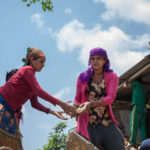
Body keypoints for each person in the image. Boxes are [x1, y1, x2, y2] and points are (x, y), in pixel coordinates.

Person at [0, 47, 74, 150]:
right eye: (41, 61)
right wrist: (61, 103)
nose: (43, 65)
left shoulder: (31, 76)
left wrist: (53, 112)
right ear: (32, 60)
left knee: (14, 146)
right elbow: (38, 91)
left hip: (9, 112)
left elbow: (34, 103)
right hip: (1, 106)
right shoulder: (27, 70)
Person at [73, 47, 125, 150]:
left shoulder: (112, 76)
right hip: (88, 124)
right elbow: (77, 98)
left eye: (98, 58)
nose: (95, 61)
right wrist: (75, 109)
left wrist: (90, 104)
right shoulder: (83, 77)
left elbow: (110, 98)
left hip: (106, 122)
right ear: (89, 60)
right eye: (92, 58)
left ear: (104, 60)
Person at [124, 79, 147, 150]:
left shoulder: (136, 83)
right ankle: (144, 142)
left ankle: (132, 142)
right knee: (142, 126)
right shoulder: (144, 90)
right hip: (144, 108)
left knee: (133, 125)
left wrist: (125, 82)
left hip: (136, 107)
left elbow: (125, 86)